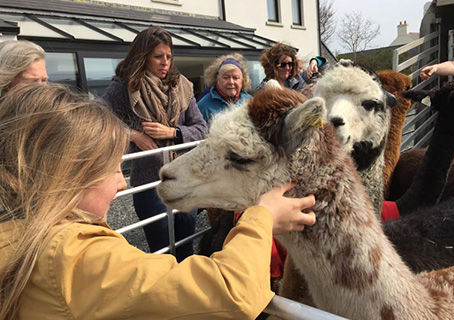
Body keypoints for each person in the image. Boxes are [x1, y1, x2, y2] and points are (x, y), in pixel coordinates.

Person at [0, 83, 317, 319]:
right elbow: (231, 293)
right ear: (66, 177)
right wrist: (262, 216)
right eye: (111, 169)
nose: (121, 182)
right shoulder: (68, 255)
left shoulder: (19, 236)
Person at [102, 26, 207, 261]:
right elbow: (99, 119)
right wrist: (132, 135)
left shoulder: (181, 86)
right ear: (143, 56)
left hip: (184, 179)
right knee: (163, 255)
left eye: (168, 56)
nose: (165, 63)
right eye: (158, 56)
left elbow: (201, 129)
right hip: (149, 185)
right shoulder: (124, 86)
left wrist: (172, 131)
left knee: (187, 248)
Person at [198, 53, 252, 123]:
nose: (231, 82)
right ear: (217, 80)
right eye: (226, 78)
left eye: (236, 78)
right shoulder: (204, 105)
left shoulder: (250, 102)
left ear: (243, 80)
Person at [257, 42, 327, 96]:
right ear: (273, 65)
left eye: (290, 64)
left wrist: (314, 62)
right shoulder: (264, 88)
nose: (287, 68)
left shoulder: (298, 78)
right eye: (283, 65)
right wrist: (299, 96)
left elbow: (326, 67)